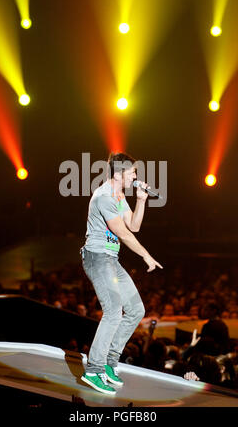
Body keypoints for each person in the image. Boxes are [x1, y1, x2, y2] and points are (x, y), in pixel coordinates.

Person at [80, 152, 162, 395]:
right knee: (114, 311)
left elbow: (134, 226)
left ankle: (108, 362)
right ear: (118, 174)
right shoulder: (104, 197)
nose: (136, 176)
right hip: (96, 257)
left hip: (110, 259)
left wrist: (141, 200)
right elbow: (125, 235)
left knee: (136, 310)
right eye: (132, 173)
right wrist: (146, 255)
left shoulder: (119, 195)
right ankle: (93, 370)